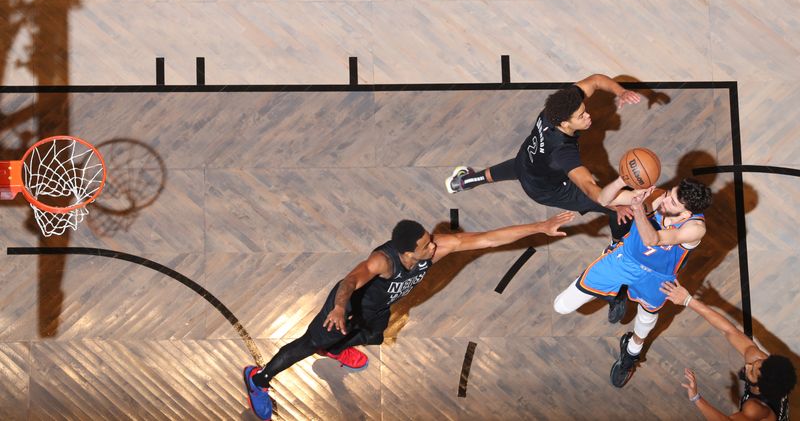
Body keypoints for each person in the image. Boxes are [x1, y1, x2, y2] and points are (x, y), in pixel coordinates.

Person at [242, 211, 576, 420]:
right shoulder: (383, 261)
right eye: (426, 246)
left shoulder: (433, 248)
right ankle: (258, 379)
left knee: (375, 336)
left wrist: (540, 226)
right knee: (305, 345)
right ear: (405, 253)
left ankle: (333, 350)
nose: (434, 247)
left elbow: (487, 239)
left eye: (431, 242)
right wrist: (340, 307)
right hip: (343, 311)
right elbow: (349, 280)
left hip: (377, 311)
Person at [553, 176, 712, 388]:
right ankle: (617, 293)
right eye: (669, 194)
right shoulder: (658, 196)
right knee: (561, 306)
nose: (665, 200)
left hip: (658, 275)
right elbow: (603, 198)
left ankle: (632, 351)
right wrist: (620, 181)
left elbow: (653, 239)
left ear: (686, 213)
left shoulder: (695, 228)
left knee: (647, 315)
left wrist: (638, 209)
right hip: (625, 259)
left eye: (672, 202)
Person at [445, 74, 641, 245]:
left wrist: (620, 91)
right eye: (581, 116)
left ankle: (462, 181)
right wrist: (630, 197)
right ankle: (618, 247)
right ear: (565, 123)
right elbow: (592, 190)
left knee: (515, 167)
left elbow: (596, 80)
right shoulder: (563, 152)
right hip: (549, 190)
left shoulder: (555, 110)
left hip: (527, 160)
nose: (588, 116)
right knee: (619, 210)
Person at [661, 280, 796, 421]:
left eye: (751, 371)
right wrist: (688, 300)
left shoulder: (755, 408)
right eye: (755, 363)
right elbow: (728, 331)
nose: (748, 365)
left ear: (761, 387)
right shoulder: (762, 363)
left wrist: (696, 398)